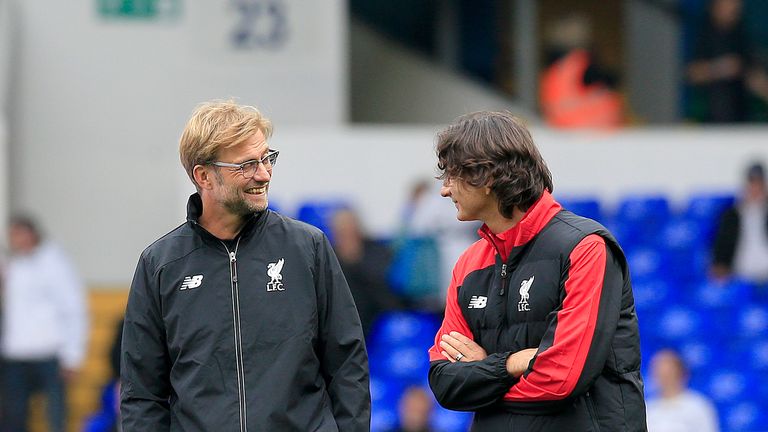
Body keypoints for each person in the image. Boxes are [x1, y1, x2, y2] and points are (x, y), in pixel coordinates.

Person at [120, 100, 370, 431]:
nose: (263, 173)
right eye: (246, 165)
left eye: (267, 158)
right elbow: (142, 396)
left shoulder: (308, 248)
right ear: (204, 176)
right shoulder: (160, 265)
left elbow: (347, 365)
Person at [426, 111, 646, 431]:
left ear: (486, 176)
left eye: (453, 176)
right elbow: (445, 383)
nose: (445, 190)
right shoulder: (468, 264)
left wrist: (484, 374)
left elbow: (560, 379)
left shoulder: (585, 247)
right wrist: (512, 364)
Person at [1, 215, 88, 432]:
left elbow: (73, 310)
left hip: (49, 352)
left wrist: (72, 355)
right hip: (16, 353)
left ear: (31, 233)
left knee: (55, 415)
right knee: (14, 415)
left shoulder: (54, 263)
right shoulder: (12, 265)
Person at [330, 208, 401, 338]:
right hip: (340, 316)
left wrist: (355, 261)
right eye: (342, 231)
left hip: (374, 312)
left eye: (349, 228)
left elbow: (382, 285)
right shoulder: (328, 255)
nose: (346, 234)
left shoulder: (377, 250)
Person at [687, 0, 750, 123]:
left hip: (740, 117)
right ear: (715, 7)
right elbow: (692, 74)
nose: (733, 10)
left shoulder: (740, 35)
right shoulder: (705, 34)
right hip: (711, 117)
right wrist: (722, 68)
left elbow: (753, 74)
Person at [711, 161, 768, 284]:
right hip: (740, 277)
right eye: (752, 184)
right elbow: (721, 246)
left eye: (759, 184)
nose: (755, 189)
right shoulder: (731, 215)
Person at [646, 349, 719, 432]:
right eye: (658, 373)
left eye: (668, 373)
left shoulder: (698, 405)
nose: (663, 378)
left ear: (679, 372)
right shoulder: (648, 408)